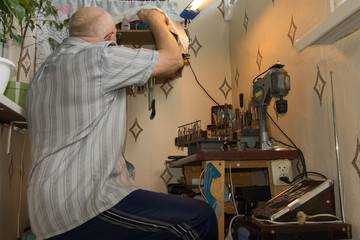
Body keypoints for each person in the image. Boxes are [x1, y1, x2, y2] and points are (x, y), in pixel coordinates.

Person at [25, 6, 218, 240]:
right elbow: (173, 60)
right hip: (84, 204)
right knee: (200, 217)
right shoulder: (99, 56)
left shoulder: (42, 73)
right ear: (108, 38)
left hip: (43, 213)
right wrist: (154, 19)